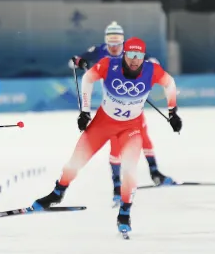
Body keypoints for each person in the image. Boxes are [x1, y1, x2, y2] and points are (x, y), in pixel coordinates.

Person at [36, 37, 182, 236]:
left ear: (143, 57)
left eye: (138, 56)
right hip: (103, 124)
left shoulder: (151, 70)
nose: (134, 60)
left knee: (129, 171)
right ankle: (57, 193)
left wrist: (173, 112)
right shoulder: (108, 65)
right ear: (124, 54)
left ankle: (124, 212)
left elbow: (170, 83)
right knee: (75, 162)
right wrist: (85, 112)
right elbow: (87, 78)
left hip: (131, 128)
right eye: (130, 55)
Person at [71, 21, 174, 202]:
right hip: (112, 106)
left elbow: (154, 63)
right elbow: (74, 61)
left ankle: (155, 172)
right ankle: (117, 187)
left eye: (117, 41)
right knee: (115, 146)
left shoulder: (130, 50)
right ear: (106, 41)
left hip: (133, 104)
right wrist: (79, 62)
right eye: (111, 41)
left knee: (144, 136)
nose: (114, 45)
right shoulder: (100, 50)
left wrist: (146, 68)